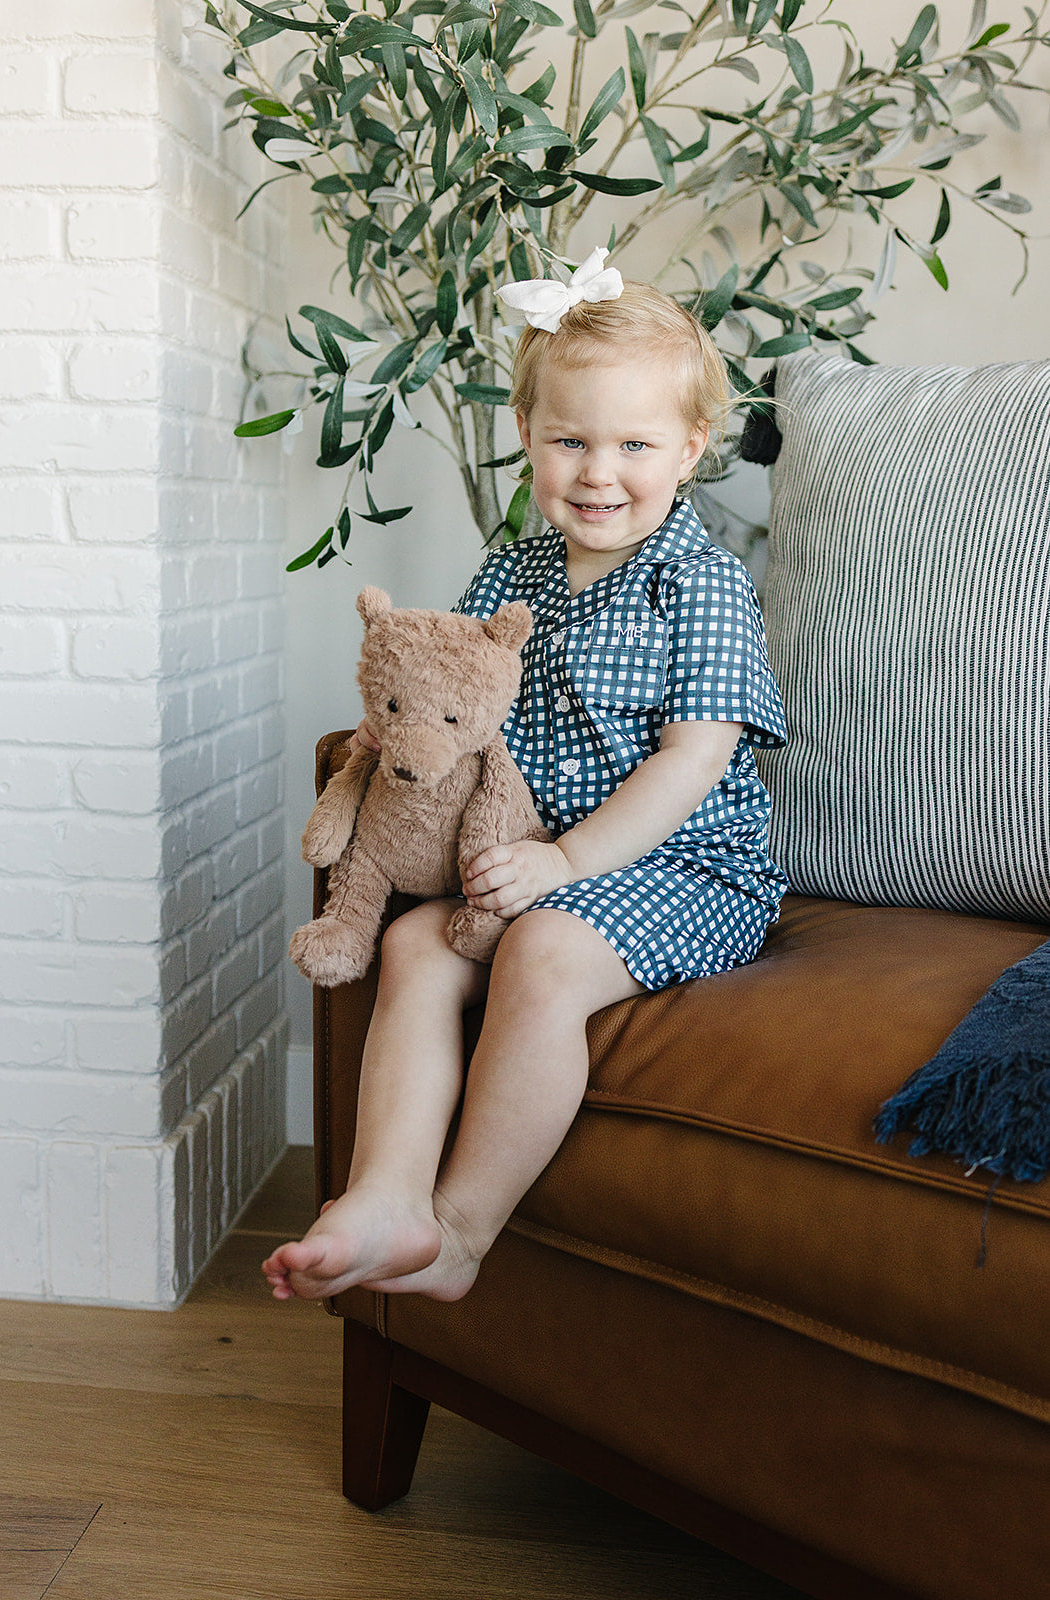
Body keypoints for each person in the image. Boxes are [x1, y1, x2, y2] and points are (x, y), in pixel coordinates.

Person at [263, 254, 787, 1305]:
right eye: (570, 440)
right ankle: (384, 1194)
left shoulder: (700, 582)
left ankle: (458, 1233)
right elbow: (463, 708)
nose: (599, 471)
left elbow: (694, 761)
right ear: (526, 439)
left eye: (634, 444)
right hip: (525, 853)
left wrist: (566, 861)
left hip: (682, 868)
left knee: (542, 952)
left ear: (689, 451)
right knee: (416, 940)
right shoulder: (508, 573)